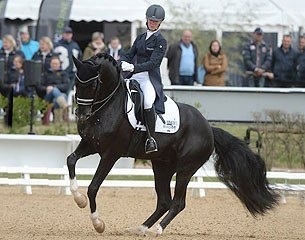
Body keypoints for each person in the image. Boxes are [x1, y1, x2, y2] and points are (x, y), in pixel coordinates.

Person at [119, 4, 167, 154]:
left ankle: (151, 139)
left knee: (147, 101)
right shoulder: (140, 38)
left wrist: (133, 67)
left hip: (148, 79)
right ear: (146, 20)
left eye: (155, 21)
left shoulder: (161, 41)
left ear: (160, 22)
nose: (152, 23)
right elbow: (129, 54)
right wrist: (121, 62)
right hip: (133, 76)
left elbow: (153, 63)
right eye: (150, 20)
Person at [36, 56, 69, 122]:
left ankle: (57, 121)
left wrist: (54, 87)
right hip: (47, 97)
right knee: (56, 92)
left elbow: (66, 86)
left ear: (59, 64)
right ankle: (64, 106)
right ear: (50, 64)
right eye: (53, 64)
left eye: (56, 64)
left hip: (60, 95)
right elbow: (39, 87)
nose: (55, 65)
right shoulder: (45, 74)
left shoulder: (63, 74)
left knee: (56, 97)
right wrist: (46, 88)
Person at [54, 26, 82, 93]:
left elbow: (80, 58)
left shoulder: (75, 45)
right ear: (63, 34)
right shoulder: (57, 45)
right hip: (61, 73)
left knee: (72, 91)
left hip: (73, 73)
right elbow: (54, 59)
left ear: (71, 35)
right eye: (66, 33)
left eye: (69, 33)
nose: (68, 35)